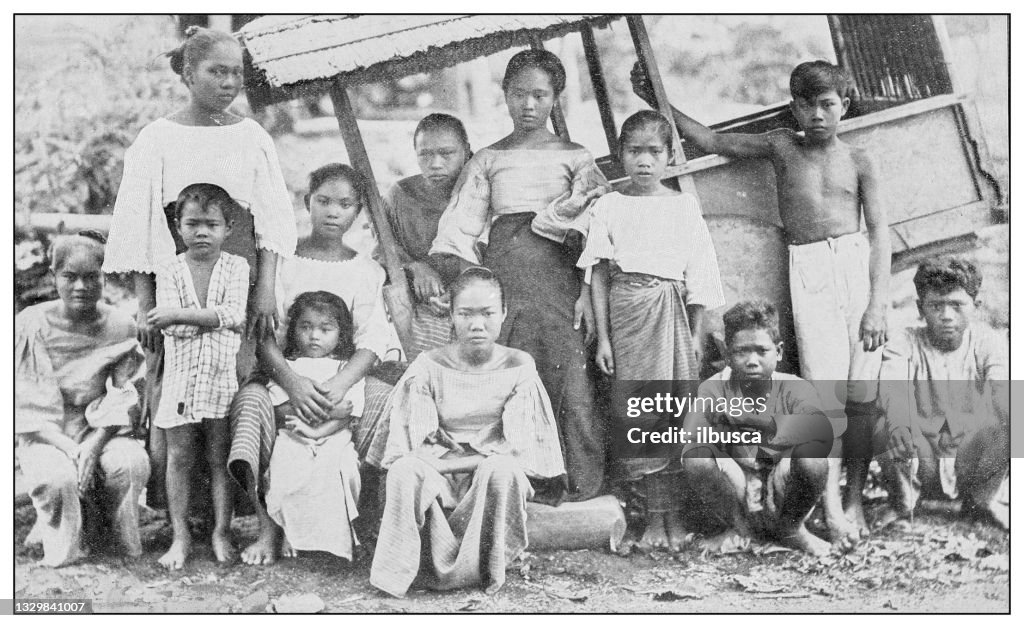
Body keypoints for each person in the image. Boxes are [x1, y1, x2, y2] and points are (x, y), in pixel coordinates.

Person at [632, 60, 889, 537]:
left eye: (827, 104)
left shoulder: (860, 160)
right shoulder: (781, 146)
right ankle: (828, 510)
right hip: (809, 267)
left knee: (864, 397)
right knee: (826, 396)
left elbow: (880, 233)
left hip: (854, 265)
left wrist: (876, 304)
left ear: (845, 106)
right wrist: (657, 99)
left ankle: (854, 502)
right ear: (793, 107)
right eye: (806, 105)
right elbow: (711, 142)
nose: (816, 114)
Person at [103, 25, 297, 507]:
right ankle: (178, 513)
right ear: (189, 73)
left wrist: (266, 288)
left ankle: (236, 508)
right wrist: (148, 304)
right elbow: (138, 224)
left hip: (239, 278)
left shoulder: (251, 136)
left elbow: (271, 219)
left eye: (237, 73)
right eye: (217, 71)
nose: (230, 82)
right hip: (176, 283)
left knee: (238, 377)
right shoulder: (156, 138)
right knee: (174, 387)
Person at [428, 49, 611, 501]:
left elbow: (596, 226)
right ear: (504, 95)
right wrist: (469, 277)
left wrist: (587, 291)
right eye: (518, 94)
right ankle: (520, 481)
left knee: (568, 370)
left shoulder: (575, 156)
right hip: (506, 274)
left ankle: (579, 483)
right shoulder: (489, 159)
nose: (528, 105)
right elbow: (460, 225)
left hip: (561, 276)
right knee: (511, 373)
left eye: (540, 95)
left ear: (556, 98)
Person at [228, 163, 395, 565]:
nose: (333, 212)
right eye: (323, 201)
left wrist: (339, 385)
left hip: (344, 377)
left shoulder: (366, 270)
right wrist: (293, 382)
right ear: (307, 203)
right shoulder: (282, 263)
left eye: (345, 204)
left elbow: (372, 338)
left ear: (359, 211)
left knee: (390, 402)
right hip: (282, 374)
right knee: (250, 406)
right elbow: (264, 332)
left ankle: (365, 523)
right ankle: (268, 529)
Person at [577, 110, 724, 551]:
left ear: (669, 155)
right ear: (620, 155)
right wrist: (603, 338)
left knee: (672, 415)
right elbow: (599, 276)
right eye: (634, 151)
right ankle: (650, 523)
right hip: (626, 316)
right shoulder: (609, 205)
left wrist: (697, 335)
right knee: (637, 416)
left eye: (653, 152)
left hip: (672, 315)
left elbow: (700, 275)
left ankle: (675, 522)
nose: (643, 161)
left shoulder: (682, 205)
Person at [370, 268, 565, 597]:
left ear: (503, 313)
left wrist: (449, 465)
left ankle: (487, 567)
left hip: (485, 475)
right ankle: (398, 575)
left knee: (502, 469)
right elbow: (415, 444)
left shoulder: (519, 366)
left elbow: (516, 449)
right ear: (451, 314)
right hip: (440, 471)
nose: (477, 325)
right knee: (404, 471)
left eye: (488, 313)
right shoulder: (428, 366)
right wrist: (442, 465)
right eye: (466, 314)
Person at [16, 232, 150, 567]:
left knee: (131, 464)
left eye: (91, 277)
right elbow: (29, 405)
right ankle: (64, 548)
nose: (81, 287)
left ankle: (116, 542)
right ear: (53, 277)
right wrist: (70, 447)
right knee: (58, 477)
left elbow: (125, 394)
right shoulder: (31, 324)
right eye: (70, 277)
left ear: (104, 277)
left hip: (104, 428)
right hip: (48, 431)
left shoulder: (120, 326)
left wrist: (93, 443)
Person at [680, 301, 837, 556]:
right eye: (742, 352)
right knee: (696, 456)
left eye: (761, 351)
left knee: (814, 456)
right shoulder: (713, 388)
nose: (752, 361)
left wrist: (745, 421)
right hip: (736, 484)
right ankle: (738, 529)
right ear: (728, 354)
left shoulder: (795, 387)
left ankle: (792, 530)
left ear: (779, 351)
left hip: (782, 485)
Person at [148, 184, 249, 569]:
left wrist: (181, 315)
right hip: (180, 381)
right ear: (178, 226)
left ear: (228, 228)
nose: (202, 232)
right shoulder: (170, 269)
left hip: (222, 380)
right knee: (179, 457)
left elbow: (235, 316)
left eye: (212, 224)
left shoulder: (236, 267)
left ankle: (221, 531)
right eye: (192, 223)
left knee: (219, 457)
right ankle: (180, 535)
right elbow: (170, 328)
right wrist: (203, 319)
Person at [876, 259, 1008, 529]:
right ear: (920, 308)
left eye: (957, 305)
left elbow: (1001, 389)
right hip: (921, 459)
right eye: (936, 305)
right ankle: (904, 502)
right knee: (884, 421)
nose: (947, 316)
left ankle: (984, 502)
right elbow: (892, 387)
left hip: (970, 461)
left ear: (976, 307)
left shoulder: (988, 341)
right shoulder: (905, 341)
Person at [265, 291, 365, 559]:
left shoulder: (344, 369)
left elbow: (348, 413)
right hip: (294, 435)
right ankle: (292, 534)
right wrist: (329, 412)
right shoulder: (290, 368)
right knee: (287, 468)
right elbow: (282, 406)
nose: (314, 336)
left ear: (340, 333)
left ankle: (337, 539)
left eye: (325, 329)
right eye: (306, 327)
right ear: (294, 329)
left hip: (335, 437)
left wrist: (318, 429)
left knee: (339, 468)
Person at [382, 113, 472, 360]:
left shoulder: (477, 193)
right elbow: (383, 246)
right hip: (418, 306)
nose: (435, 163)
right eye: (425, 154)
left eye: (446, 153)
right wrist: (415, 266)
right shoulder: (400, 195)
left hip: (472, 299)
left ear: (466, 151)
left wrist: (459, 290)